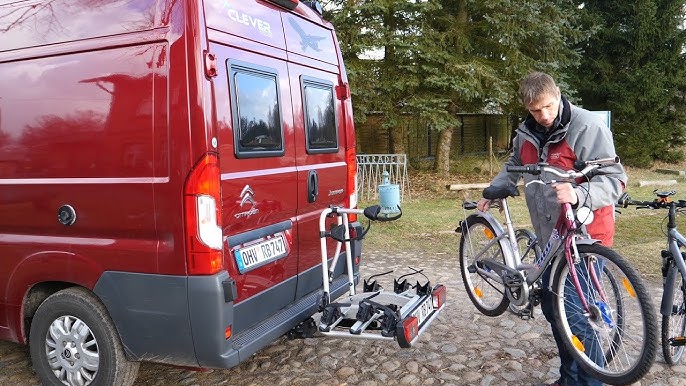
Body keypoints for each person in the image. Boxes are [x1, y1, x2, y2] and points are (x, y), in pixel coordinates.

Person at [477, 71, 627, 386]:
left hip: (585, 239)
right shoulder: (525, 134)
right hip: (550, 239)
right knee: (554, 312)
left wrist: (579, 193)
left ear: (558, 95)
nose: (543, 116)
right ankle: (568, 377)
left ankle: (589, 383)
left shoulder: (587, 127)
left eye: (548, 107)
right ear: (527, 109)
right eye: (535, 111)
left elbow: (614, 179)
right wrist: (494, 190)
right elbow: (514, 164)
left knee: (577, 317)